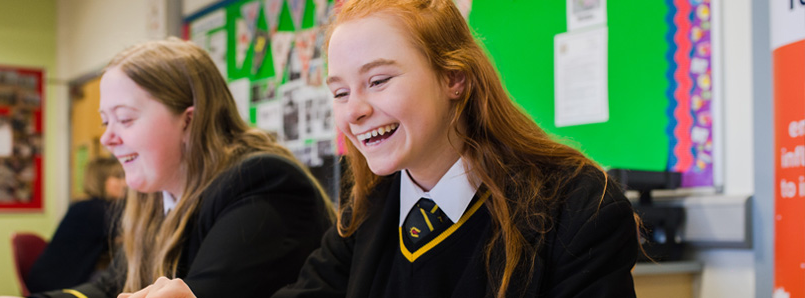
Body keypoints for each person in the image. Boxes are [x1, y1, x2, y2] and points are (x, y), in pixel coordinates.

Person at [125, 0, 640, 297]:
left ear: (453, 78)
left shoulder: (574, 204)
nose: (354, 111)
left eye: (379, 80)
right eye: (340, 92)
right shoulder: (370, 210)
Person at [6, 38, 335, 298]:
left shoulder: (259, 182)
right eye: (106, 122)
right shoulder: (154, 197)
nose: (108, 138)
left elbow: (202, 291)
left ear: (189, 121)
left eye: (125, 119)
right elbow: (110, 287)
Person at [24, 157, 127, 293]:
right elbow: (130, 238)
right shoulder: (97, 210)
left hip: (48, 277)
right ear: (100, 180)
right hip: (57, 283)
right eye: (118, 177)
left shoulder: (84, 205)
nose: (125, 183)